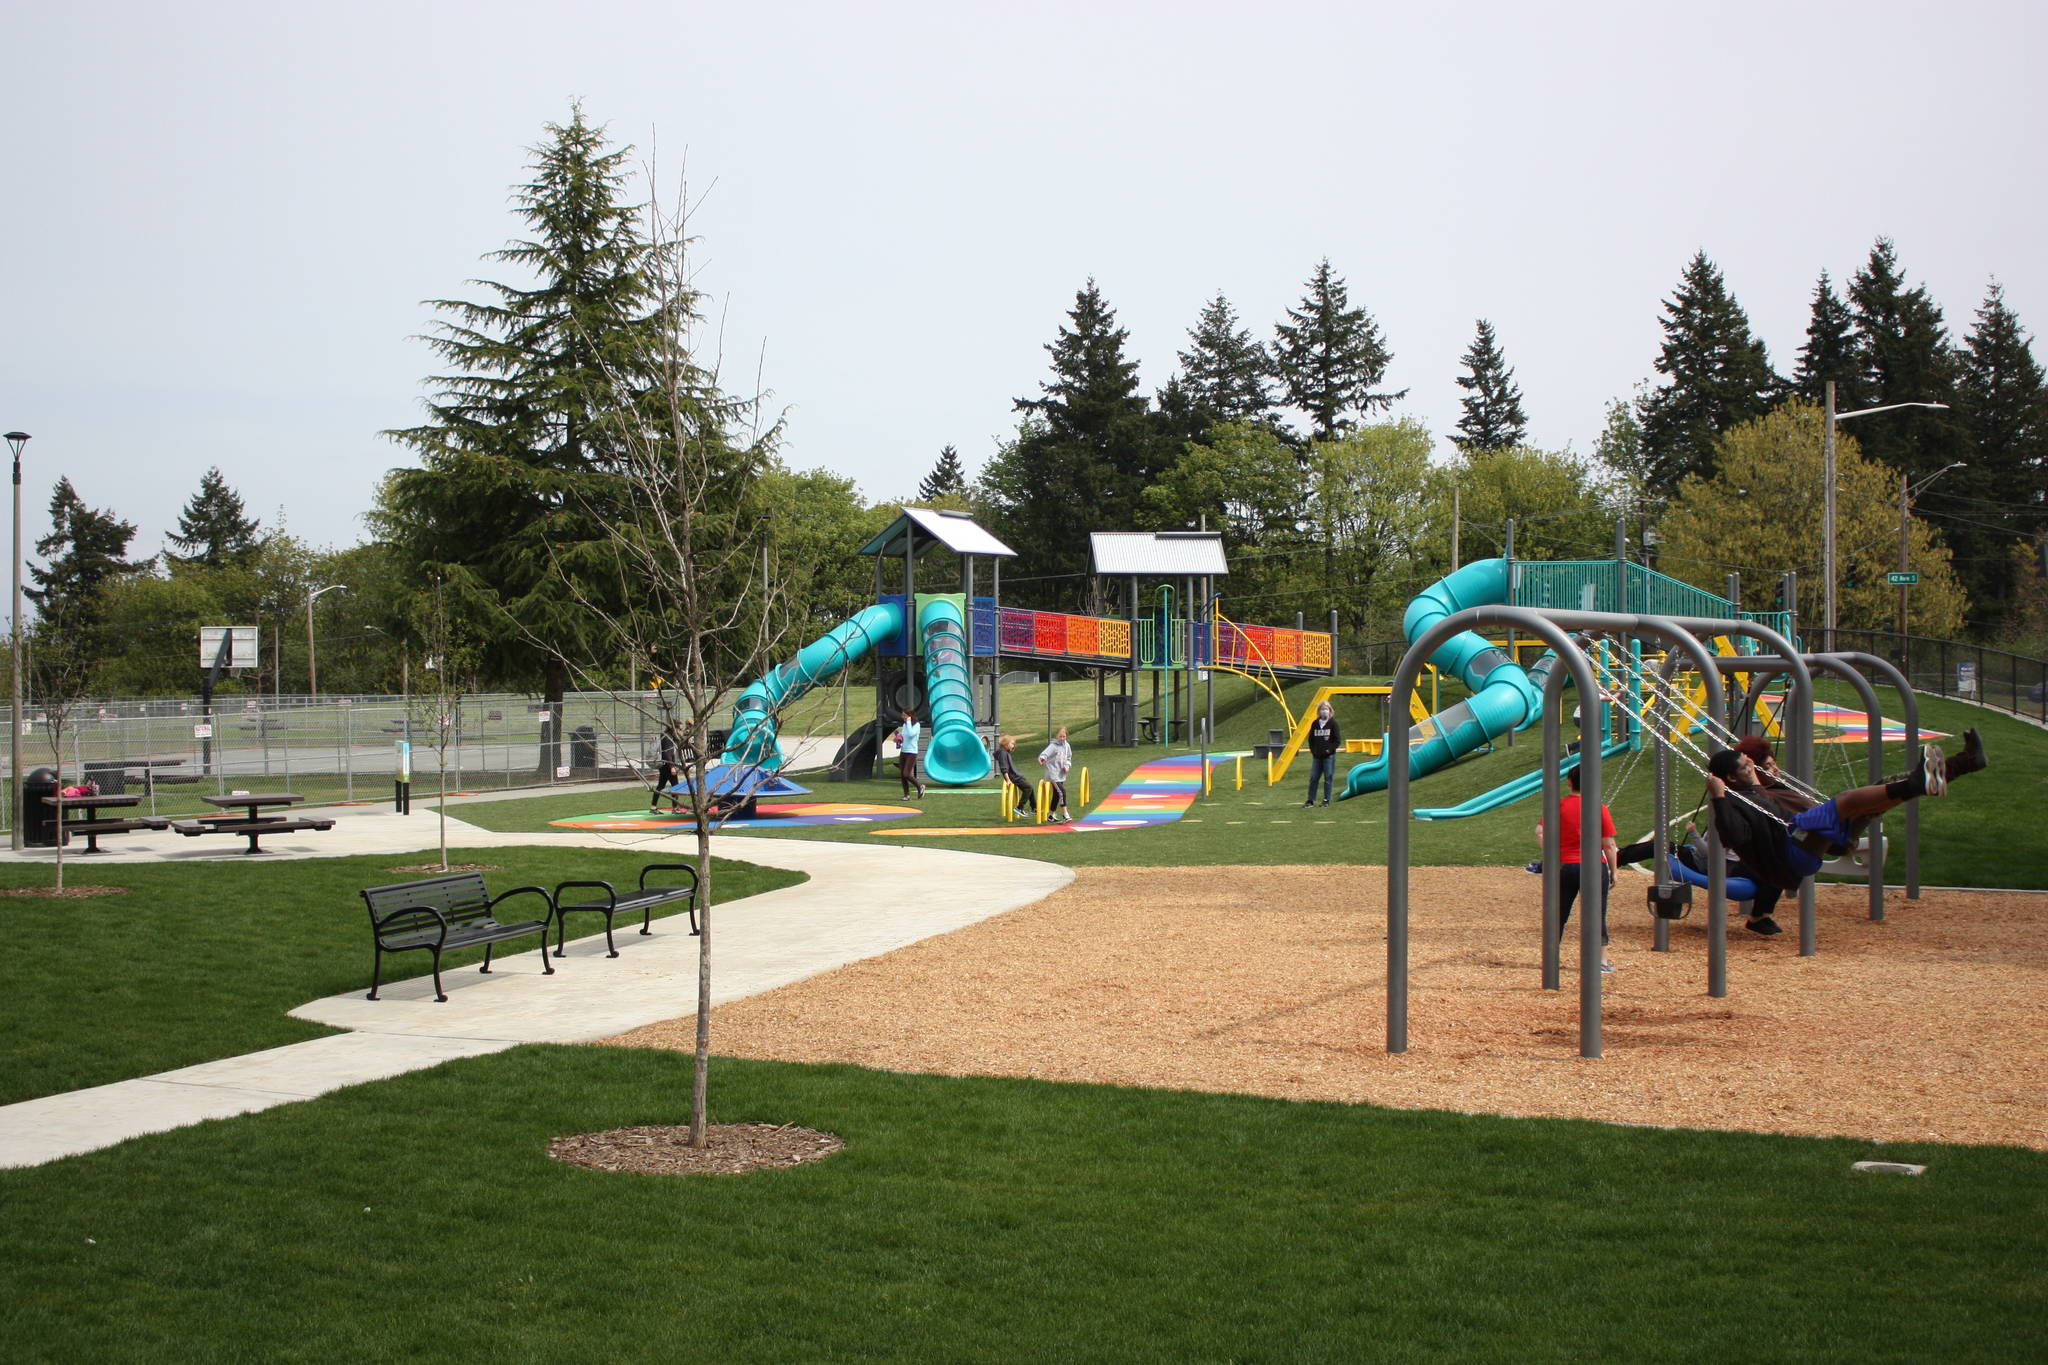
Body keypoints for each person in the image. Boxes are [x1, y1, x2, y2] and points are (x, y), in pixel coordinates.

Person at [1705, 729, 1987, 895]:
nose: (1758, 769)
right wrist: (1718, 796)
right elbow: (1734, 836)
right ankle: (1919, 783)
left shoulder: (1769, 787)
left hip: (1810, 841)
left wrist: (1766, 775)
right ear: (1730, 778)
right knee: (1848, 801)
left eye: (1759, 764)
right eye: (1749, 766)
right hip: (1791, 851)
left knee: (1879, 795)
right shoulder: (1738, 800)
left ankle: (1965, 763)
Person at [1535, 765, 1617, 973]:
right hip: (1592, 867)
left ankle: (1550, 958)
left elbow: (1541, 832)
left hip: (1564, 866)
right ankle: (1601, 961)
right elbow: (1608, 844)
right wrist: (1614, 871)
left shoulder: (1558, 806)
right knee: (1597, 913)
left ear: (1569, 782)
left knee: (1558, 912)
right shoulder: (1599, 808)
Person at [1303, 701, 1341, 807]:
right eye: (1322, 709)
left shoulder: (1333, 723)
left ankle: (1326, 799)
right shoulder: (1315, 723)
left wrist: (1329, 750)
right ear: (1318, 711)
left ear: (1330, 710)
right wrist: (1313, 751)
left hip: (1329, 756)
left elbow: (1337, 741)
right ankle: (1310, 800)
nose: (1324, 711)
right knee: (1314, 777)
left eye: (1326, 709)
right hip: (1317, 756)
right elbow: (1311, 739)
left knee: (1328, 777)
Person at [1038, 725, 1074, 824]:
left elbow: (1069, 758)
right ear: (1056, 736)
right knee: (1062, 792)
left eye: (1064, 736)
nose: (1062, 739)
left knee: (1057, 794)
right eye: (1060, 736)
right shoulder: (1053, 746)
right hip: (1052, 773)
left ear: (1066, 736)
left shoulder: (1067, 746)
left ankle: (1051, 815)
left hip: (1061, 774)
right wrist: (1042, 758)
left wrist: (1067, 766)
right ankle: (1065, 814)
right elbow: (1044, 754)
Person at [994, 734, 1036, 817]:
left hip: (1016, 775)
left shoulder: (1005, 752)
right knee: (1028, 788)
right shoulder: (1003, 754)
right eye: (1012, 743)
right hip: (1014, 777)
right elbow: (1004, 768)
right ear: (1006, 743)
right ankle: (1019, 807)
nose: (1013, 745)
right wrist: (1008, 780)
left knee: (1029, 788)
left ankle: (1034, 808)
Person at [893, 708, 926, 799]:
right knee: (902, 775)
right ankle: (906, 795)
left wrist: (908, 722)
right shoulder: (905, 725)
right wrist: (898, 739)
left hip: (912, 752)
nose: (902, 717)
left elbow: (911, 734)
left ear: (910, 716)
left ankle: (920, 786)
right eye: (902, 715)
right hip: (904, 751)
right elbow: (904, 736)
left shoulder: (916, 725)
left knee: (906, 774)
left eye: (904, 715)